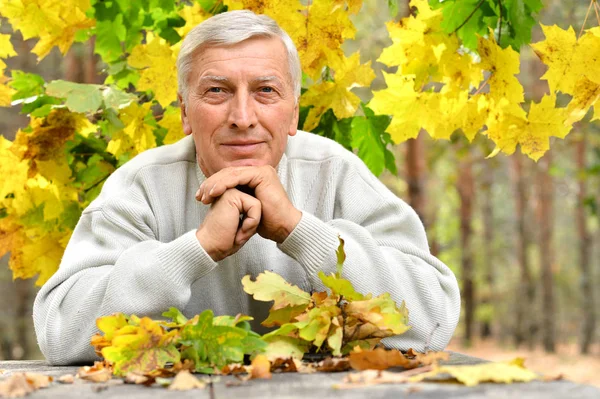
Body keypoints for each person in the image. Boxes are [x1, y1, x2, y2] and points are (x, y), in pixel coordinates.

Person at [33, 10, 460, 365]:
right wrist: (196, 250)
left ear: (293, 113)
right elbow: (60, 332)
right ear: (185, 113)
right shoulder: (139, 186)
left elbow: (432, 321)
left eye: (265, 91)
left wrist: (299, 230)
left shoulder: (336, 173)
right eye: (217, 91)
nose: (242, 115)